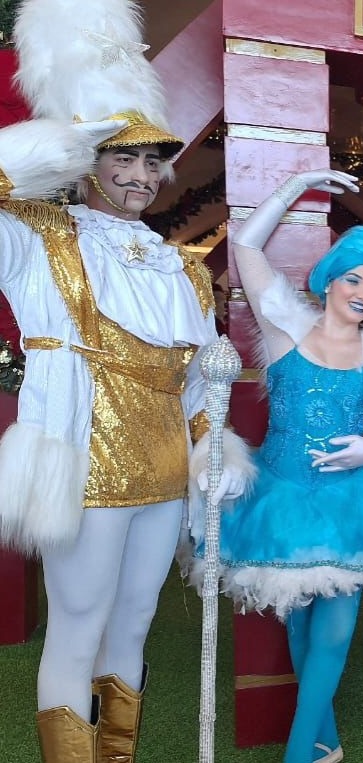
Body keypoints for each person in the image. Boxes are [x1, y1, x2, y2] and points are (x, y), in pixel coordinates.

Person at [0, 2, 251, 760]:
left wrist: (215, 449)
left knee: (135, 621)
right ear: (90, 159)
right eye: (122, 157)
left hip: (166, 464)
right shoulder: (37, 235)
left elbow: (198, 381)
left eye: (152, 160)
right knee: (78, 620)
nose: (141, 175)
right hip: (85, 460)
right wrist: (54, 146)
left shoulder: (178, 263)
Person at [196, 168, 363, 763]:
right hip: (282, 492)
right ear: (331, 278)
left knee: (334, 633)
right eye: (354, 278)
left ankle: (296, 754)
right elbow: (245, 245)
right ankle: (325, 743)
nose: (362, 292)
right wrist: (296, 187)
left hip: (350, 501)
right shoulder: (285, 328)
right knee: (300, 626)